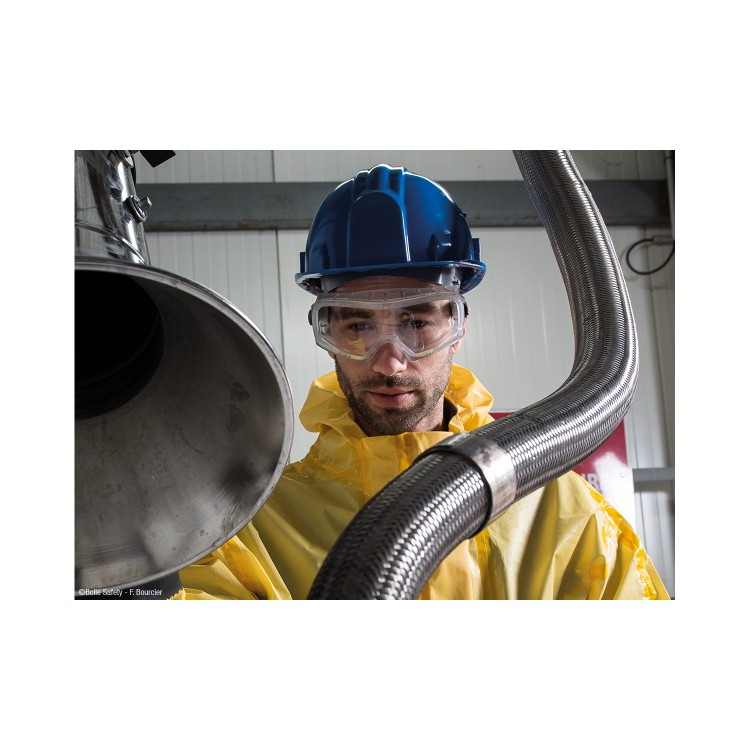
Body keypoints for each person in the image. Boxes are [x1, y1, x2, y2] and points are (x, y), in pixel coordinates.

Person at [177, 164, 670, 600]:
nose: (390, 363)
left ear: (459, 328)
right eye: (357, 326)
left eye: (416, 323)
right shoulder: (257, 532)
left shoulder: (566, 517)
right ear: (327, 336)